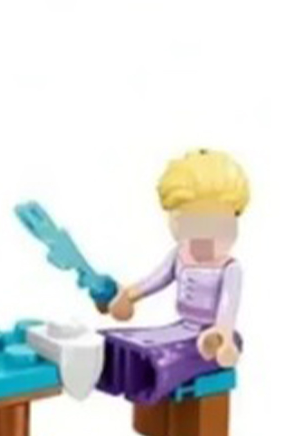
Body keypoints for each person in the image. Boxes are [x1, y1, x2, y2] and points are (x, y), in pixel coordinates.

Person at [99, 149, 247, 405]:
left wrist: (222, 334)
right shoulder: (180, 255)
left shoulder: (230, 268)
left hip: (212, 334)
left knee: (181, 354)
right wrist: (129, 296)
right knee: (131, 341)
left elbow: (227, 307)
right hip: (182, 327)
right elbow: (153, 281)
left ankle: (208, 353)